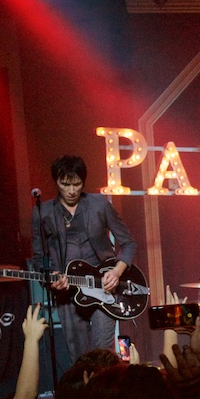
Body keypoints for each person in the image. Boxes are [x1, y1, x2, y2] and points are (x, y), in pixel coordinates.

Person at [31, 155, 137, 365]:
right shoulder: (43, 212)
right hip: (68, 293)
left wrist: (116, 271)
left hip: (102, 288)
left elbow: (129, 243)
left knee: (102, 353)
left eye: (77, 184)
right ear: (56, 182)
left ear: (83, 182)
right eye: (65, 184)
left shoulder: (99, 205)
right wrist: (50, 277)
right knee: (79, 359)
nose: (71, 191)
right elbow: (38, 257)